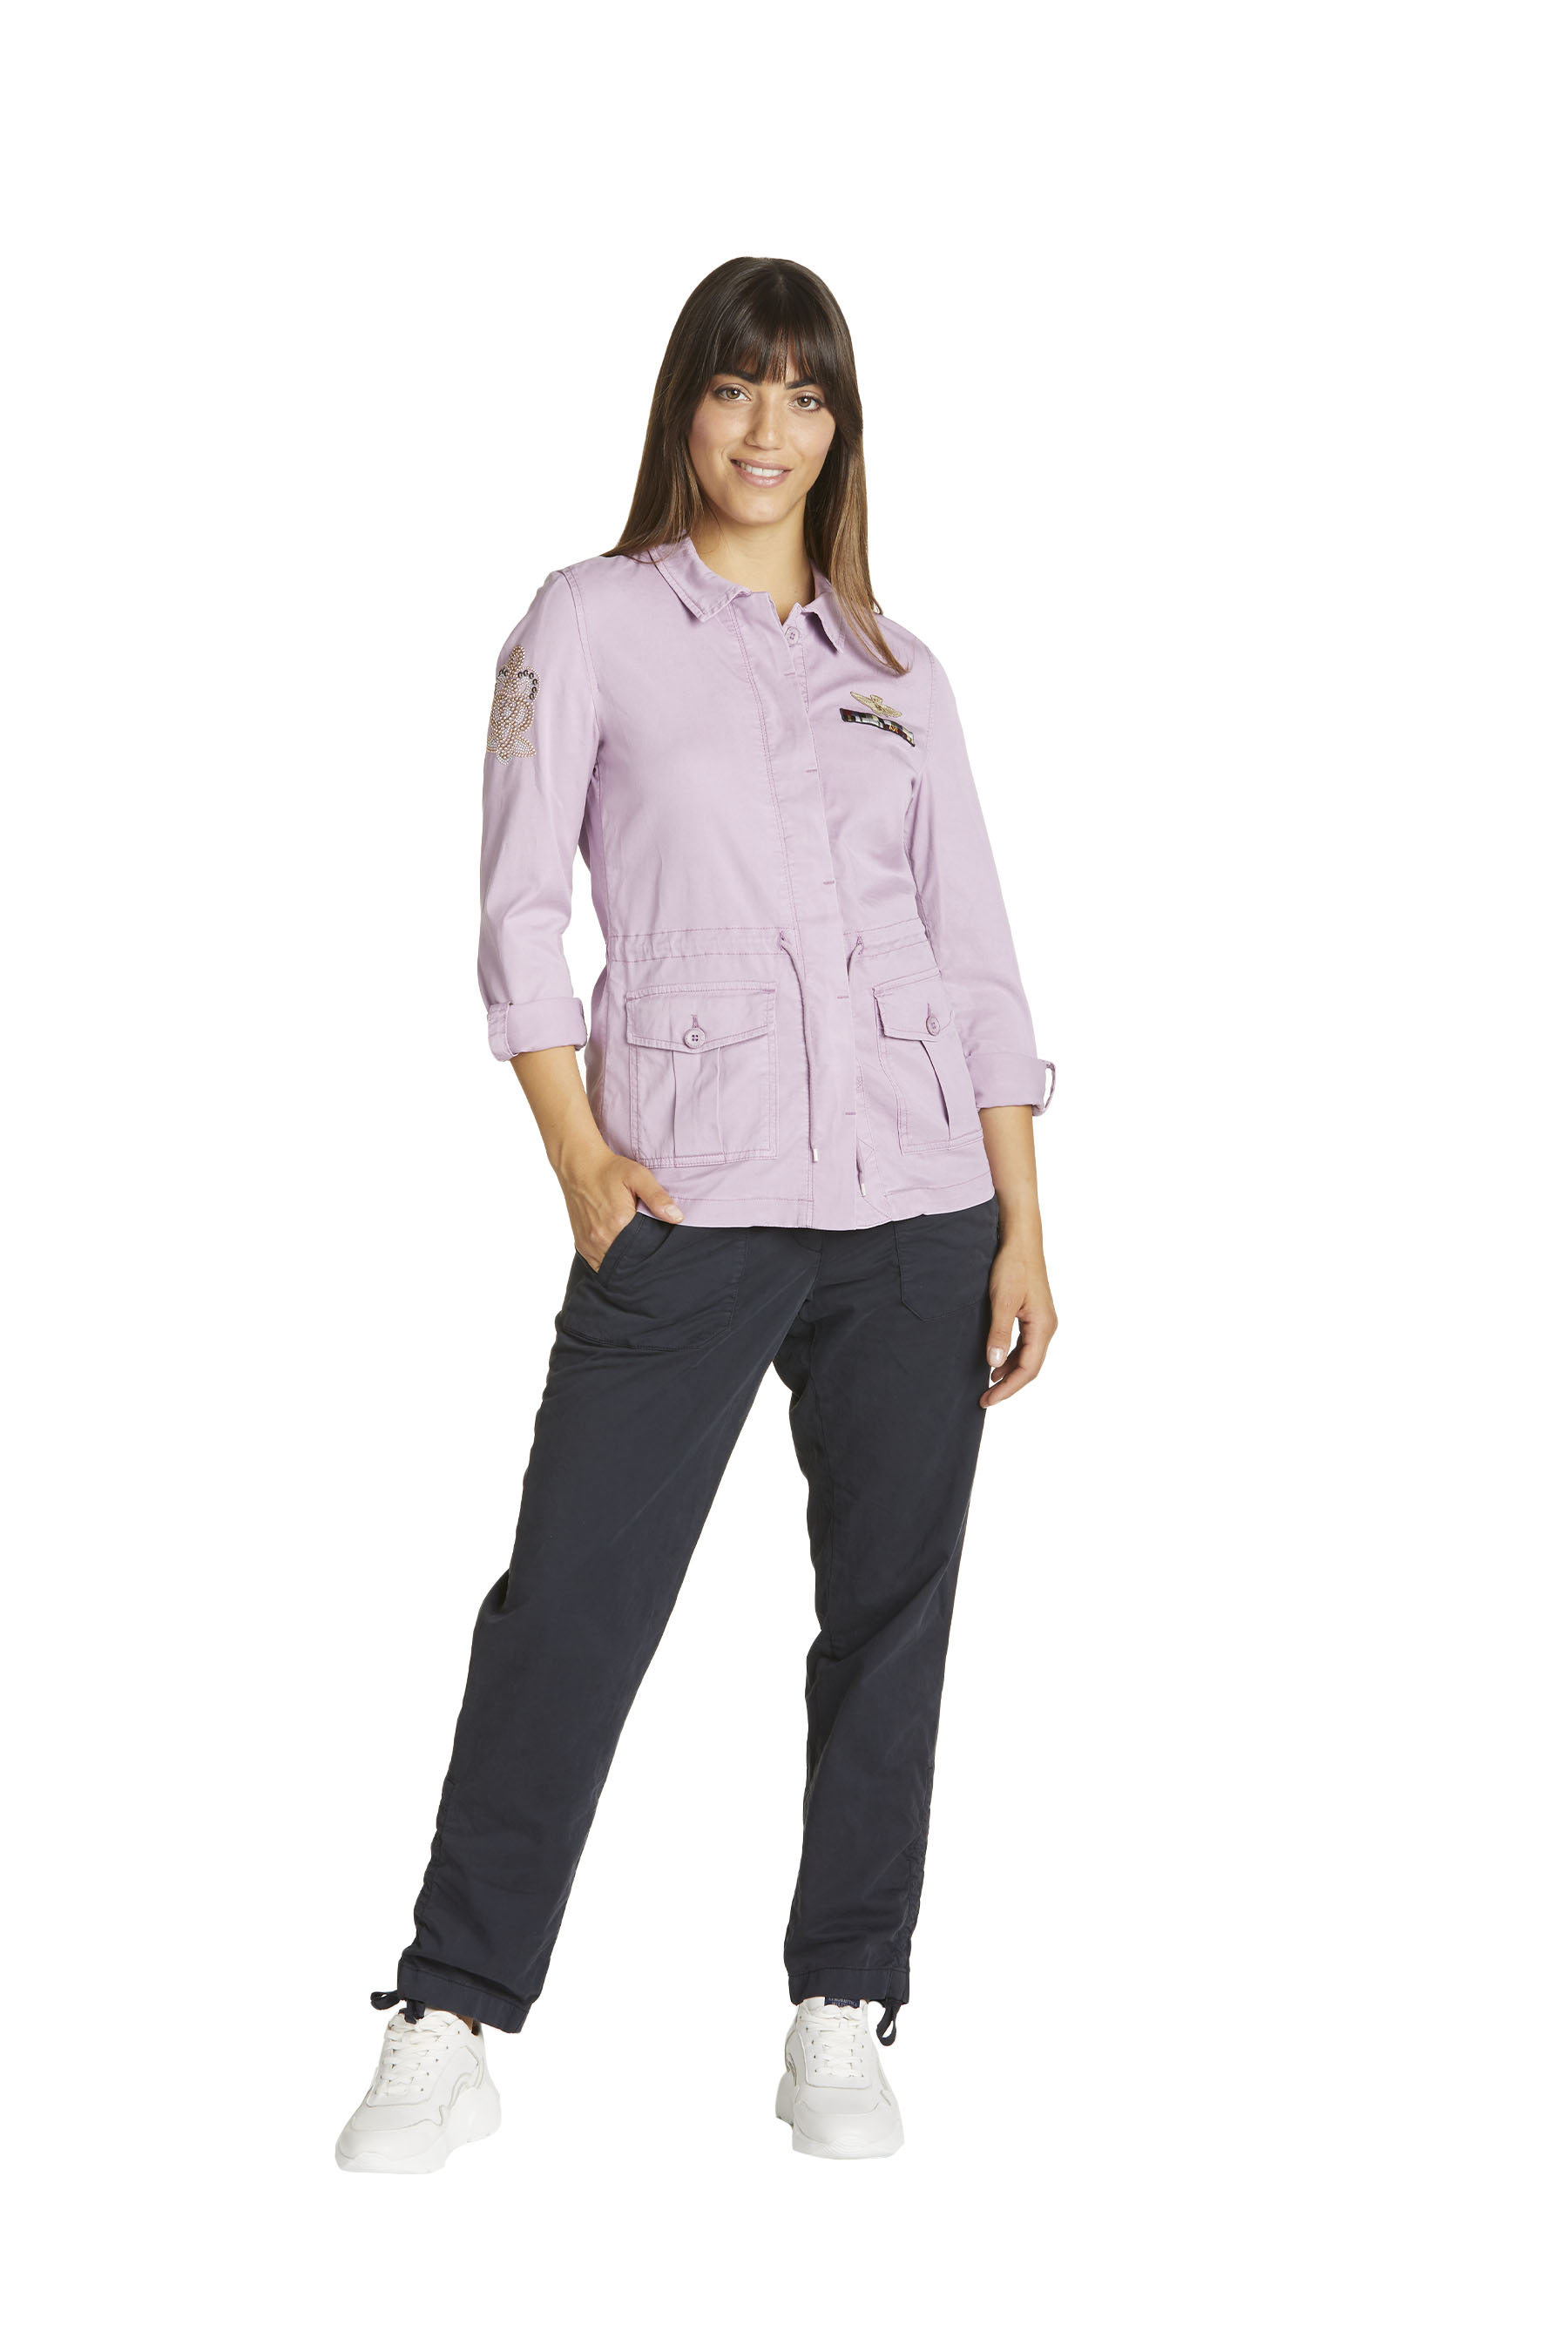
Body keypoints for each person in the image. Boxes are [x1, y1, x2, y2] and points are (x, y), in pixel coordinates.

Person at [336, 256, 1058, 2173]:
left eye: (806, 396)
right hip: (689, 1194)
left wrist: (1021, 1221)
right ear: (686, 404)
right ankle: (449, 2009)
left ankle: (844, 2001)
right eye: (739, 387)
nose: (768, 429)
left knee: (889, 1616)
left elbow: (975, 952)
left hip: (917, 1200)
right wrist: (579, 1161)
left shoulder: (898, 670)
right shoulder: (584, 623)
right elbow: (515, 916)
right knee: (570, 1604)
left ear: (841, 429)